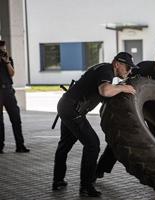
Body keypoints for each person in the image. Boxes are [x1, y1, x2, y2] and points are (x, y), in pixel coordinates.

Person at [95, 48, 155, 179]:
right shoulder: (144, 67)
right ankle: (100, 169)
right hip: (135, 107)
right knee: (122, 138)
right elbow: (125, 79)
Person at [52, 52, 136, 197]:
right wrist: (123, 88)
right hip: (72, 110)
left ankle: (58, 180)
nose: (129, 71)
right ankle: (86, 186)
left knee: (64, 145)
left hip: (66, 106)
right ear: (117, 64)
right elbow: (105, 90)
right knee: (92, 145)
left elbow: (104, 92)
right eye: (127, 67)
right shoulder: (106, 71)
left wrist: (118, 87)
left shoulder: (105, 70)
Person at [0, 40, 30, 154]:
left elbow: (12, 74)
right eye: (1, 49)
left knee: (16, 118)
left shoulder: (8, 59)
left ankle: (20, 145)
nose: (3, 50)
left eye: (4, 48)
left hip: (8, 90)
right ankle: (0, 146)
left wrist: (7, 62)